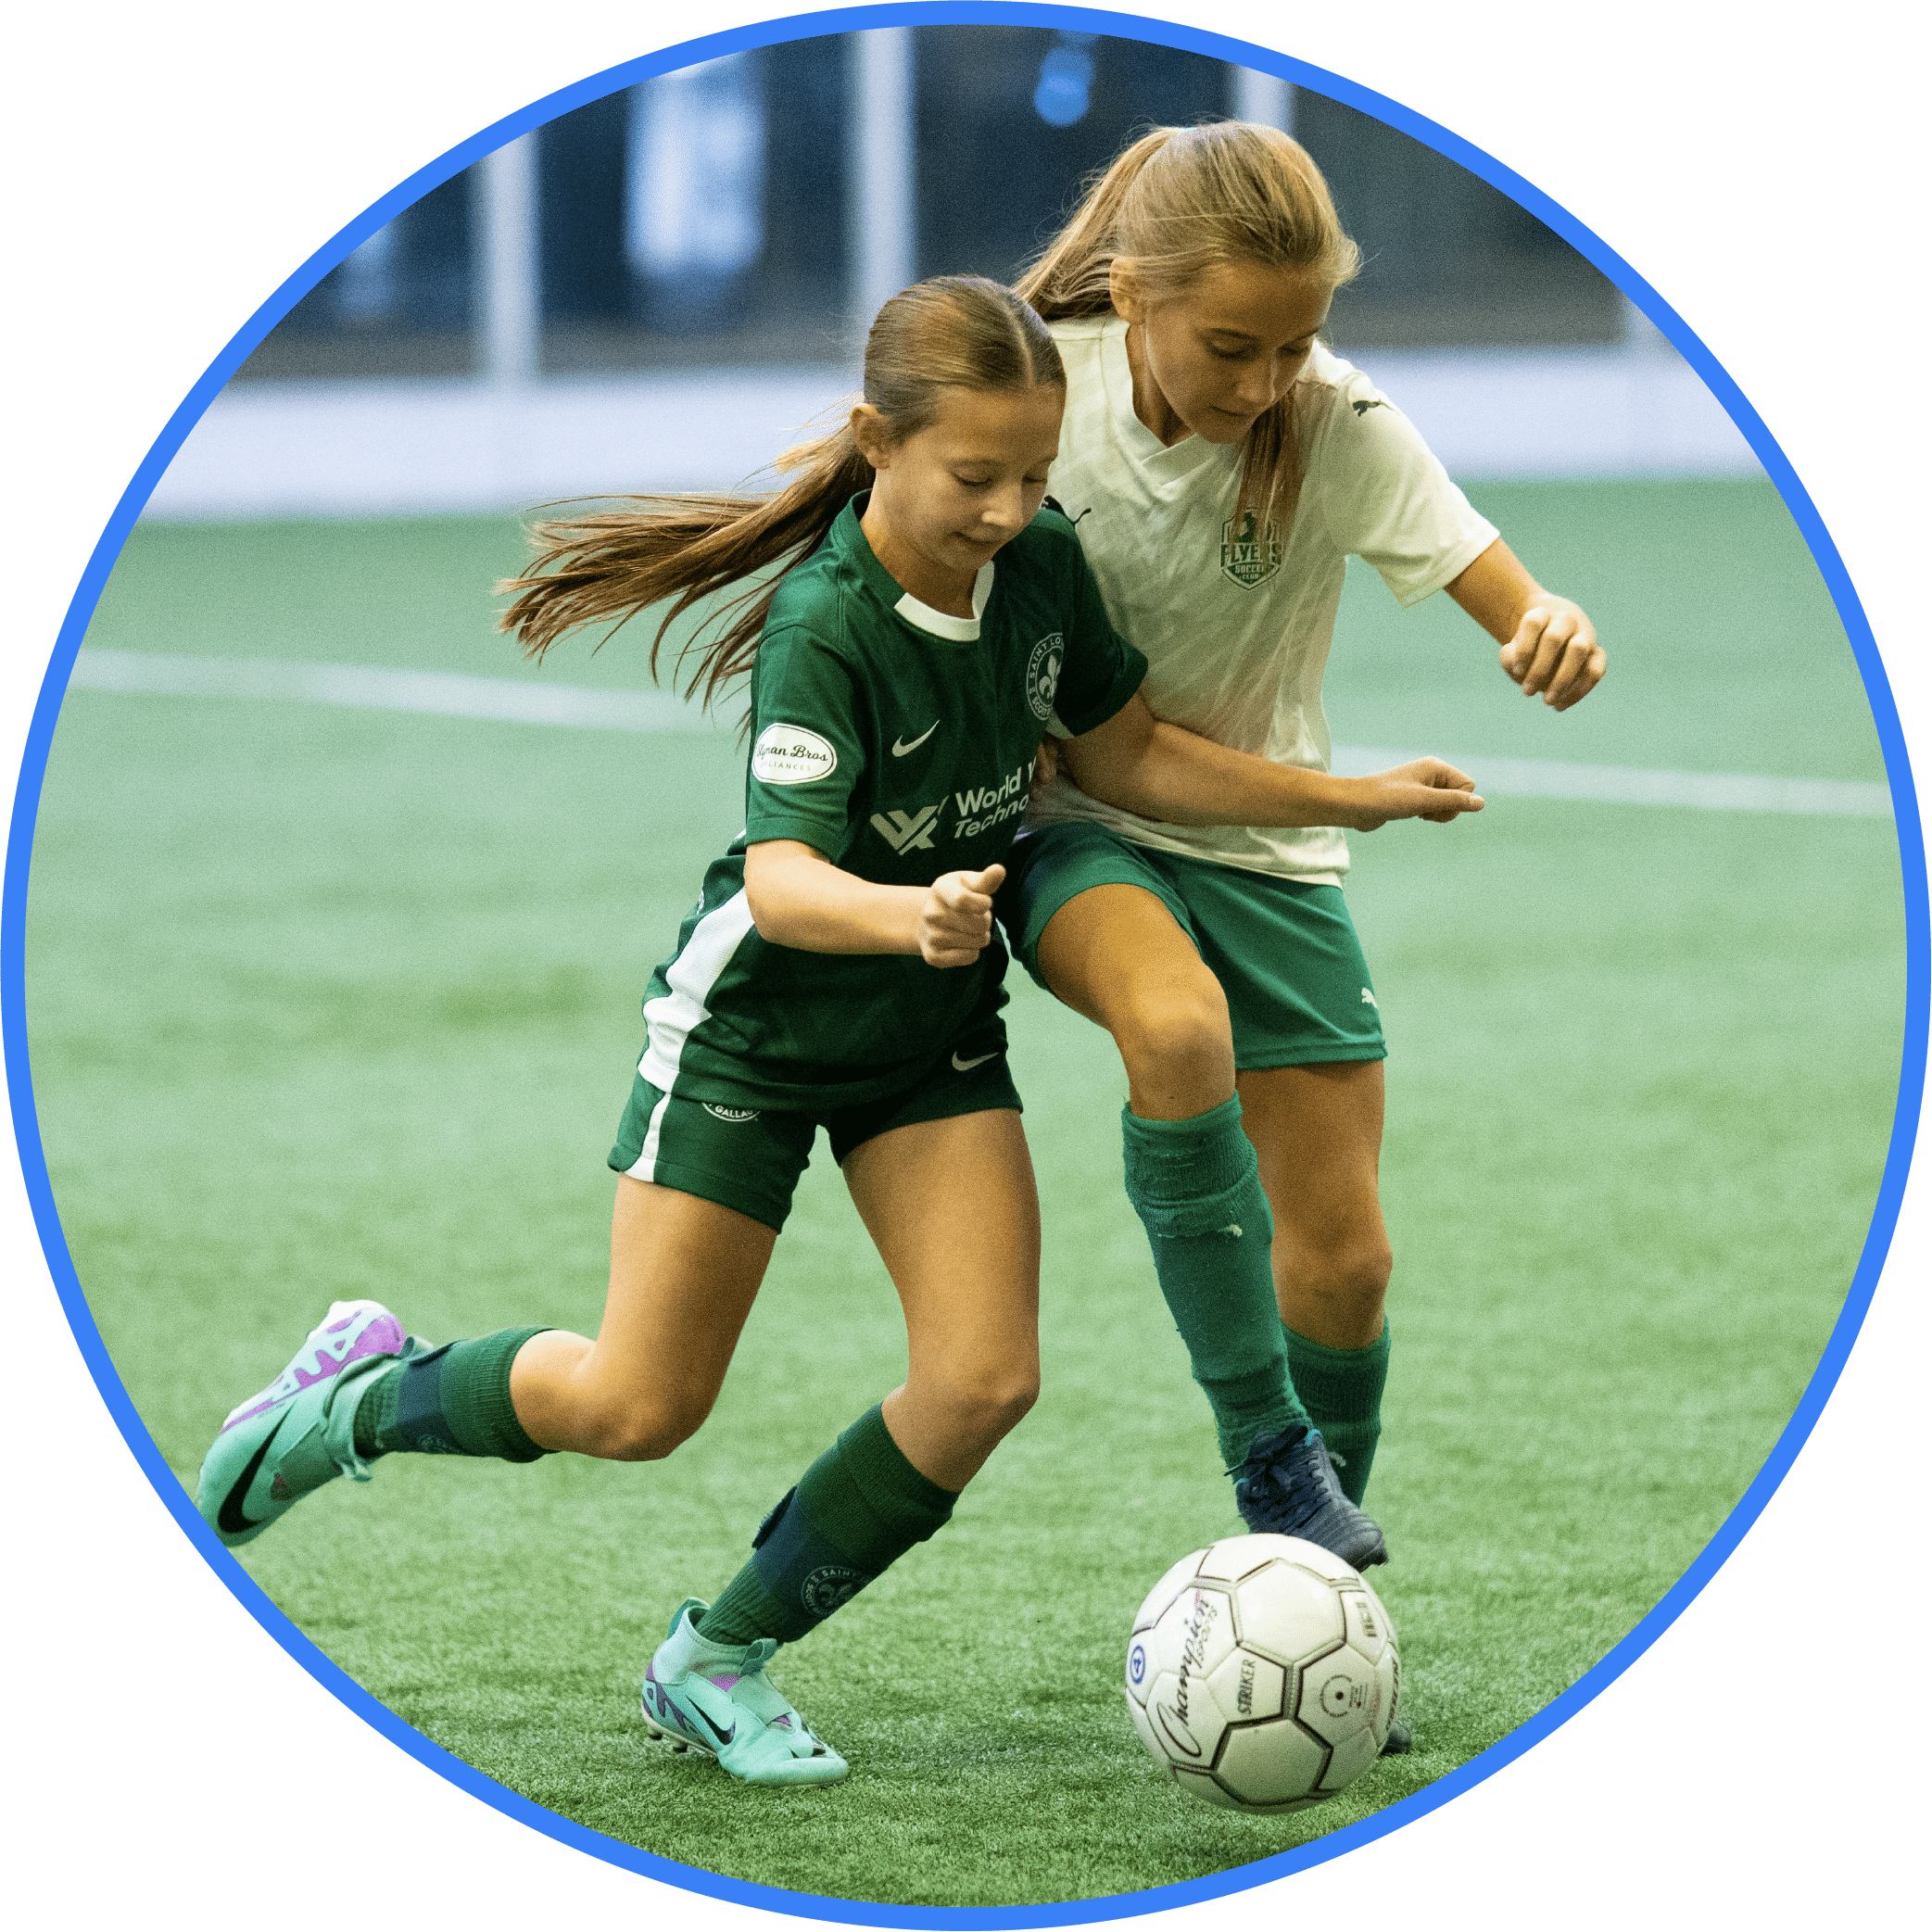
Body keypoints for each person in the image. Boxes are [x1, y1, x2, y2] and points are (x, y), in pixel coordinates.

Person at [195, 276, 1481, 1789]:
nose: (1010, 510)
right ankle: (360, 1399)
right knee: (636, 1404)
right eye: (974, 478)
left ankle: (715, 1655)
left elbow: (1127, 750)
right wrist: (915, 912)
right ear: (880, 443)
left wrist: (1353, 794)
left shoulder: (1045, 565)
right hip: (752, 1035)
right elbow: (783, 878)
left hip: (925, 1045)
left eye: (1034, 475)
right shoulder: (827, 624)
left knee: (985, 1380)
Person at [1003, 124, 1607, 1631]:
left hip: (1260, 837)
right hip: (1061, 814)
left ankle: (1318, 1600)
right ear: (1132, 292)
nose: (1266, 382)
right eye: (1231, 346)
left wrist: (1553, 632)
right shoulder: (1036, 383)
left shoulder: (1337, 420)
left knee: (1344, 1267)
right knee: (1176, 1029)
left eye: (1298, 341)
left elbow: (1509, 593)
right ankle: (1270, 1458)